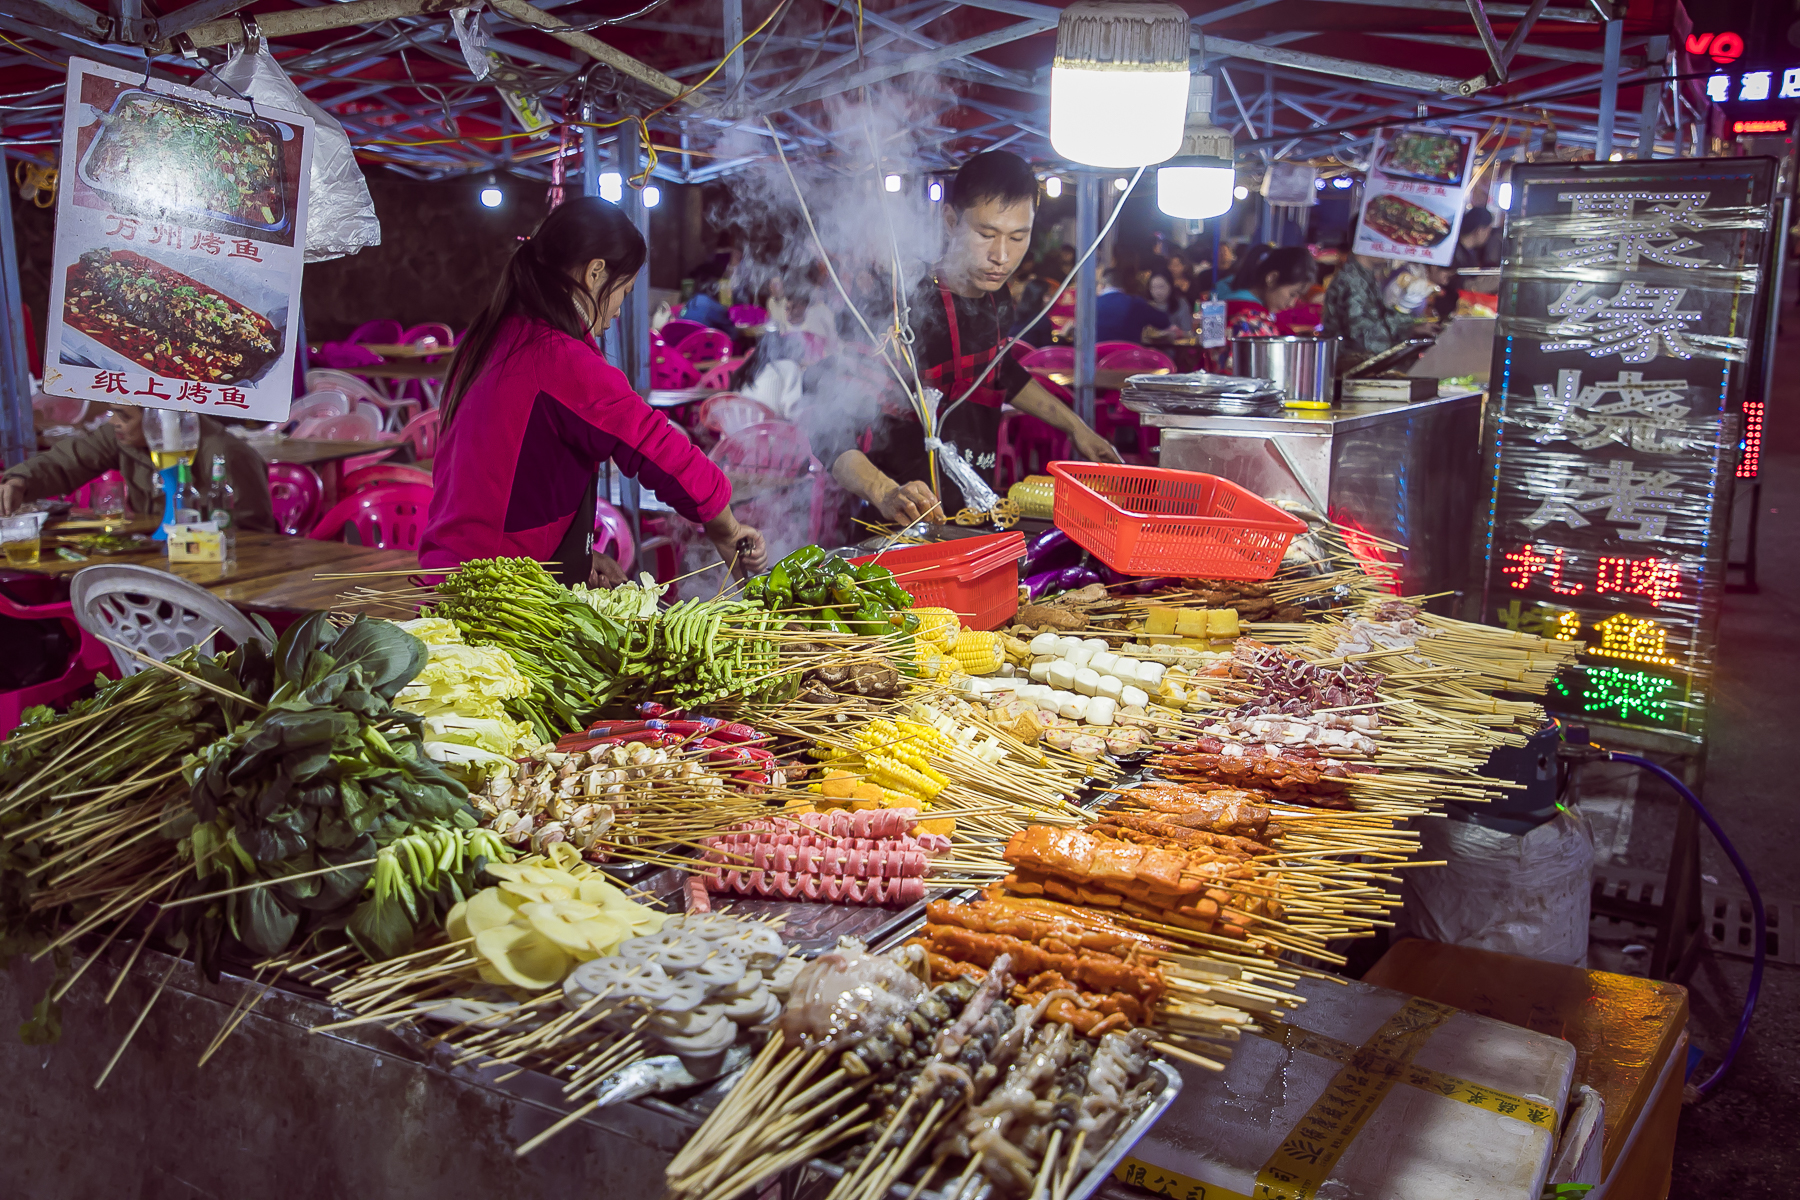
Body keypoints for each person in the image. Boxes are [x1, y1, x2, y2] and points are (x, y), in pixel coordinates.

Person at [420, 196, 768, 587]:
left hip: (453, 576)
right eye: (624, 290)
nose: (619, 309)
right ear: (595, 273)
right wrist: (726, 527)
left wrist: (575, 558)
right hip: (488, 595)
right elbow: (656, 447)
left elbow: (512, 482)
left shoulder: (489, 338)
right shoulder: (555, 355)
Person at [828, 151, 1120, 525]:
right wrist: (885, 491)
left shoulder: (997, 299)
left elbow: (1000, 371)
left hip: (970, 513)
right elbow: (827, 432)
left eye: (1018, 237)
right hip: (893, 524)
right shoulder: (899, 304)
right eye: (986, 234)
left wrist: (1078, 429)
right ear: (951, 221)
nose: (1001, 256)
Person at [0, 405, 274, 530]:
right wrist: (20, 480)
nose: (112, 422)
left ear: (161, 416)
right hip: (154, 561)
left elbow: (253, 534)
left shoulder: (225, 454)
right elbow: (66, 462)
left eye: (124, 415)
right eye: (113, 412)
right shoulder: (122, 439)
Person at [1321, 252, 1435, 360]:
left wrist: (1410, 328)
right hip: (1351, 370)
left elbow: (1379, 323)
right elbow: (1370, 344)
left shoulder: (1365, 277)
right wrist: (1402, 309)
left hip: (1358, 368)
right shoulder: (1351, 281)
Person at [1217, 245, 1315, 340]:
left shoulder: (1230, 303)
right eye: (1292, 294)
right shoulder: (1251, 321)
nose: (1292, 303)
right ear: (1271, 278)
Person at [1095, 268, 1175, 344]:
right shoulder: (1136, 303)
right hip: (1129, 356)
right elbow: (1163, 321)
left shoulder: (1093, 305)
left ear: (1102, 285)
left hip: (1099, 356)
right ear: (1123, 285)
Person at [681, 263, 736, 335]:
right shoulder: (717, 308)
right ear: (714, 286)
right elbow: (733, 335)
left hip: (685, 344)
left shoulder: (689, 303)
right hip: (704, 343)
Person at [1146, 269, 1194, 335]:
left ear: (1170, 286)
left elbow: (1188, 331)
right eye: (1153, 287)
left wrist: (1178, 332)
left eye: (1161, 287)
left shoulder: (1181, 304)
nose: (1157, 292)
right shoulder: (1147, 306)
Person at [1453, 207, 1494, 271]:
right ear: (1479, 231)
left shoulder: (1471, 253)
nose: (1489, 235)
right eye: (1488, 231)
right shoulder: (1455, 256)